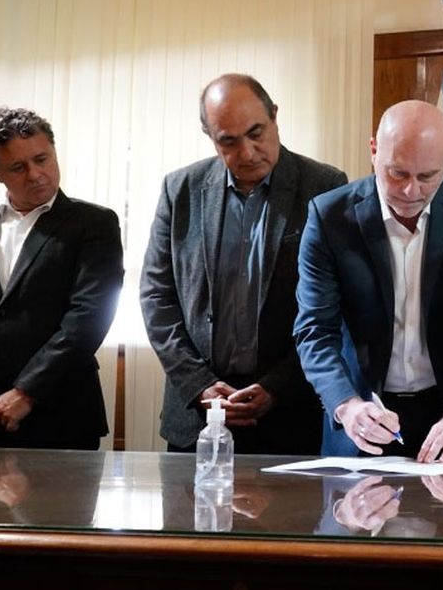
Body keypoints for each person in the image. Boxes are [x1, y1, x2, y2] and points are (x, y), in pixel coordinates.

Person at [140, 73, 347, 454]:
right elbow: (157, 296)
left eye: (257, 132)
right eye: (229, 142)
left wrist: (277, 387)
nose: (248, 152)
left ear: (274, 116)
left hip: (287, 416)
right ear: (211, 138)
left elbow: (334, 307)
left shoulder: (324, 186)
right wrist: (197, 382)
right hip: (197, 417)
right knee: (191, 516)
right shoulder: (180, 189)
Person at [294, 99, 443, 462]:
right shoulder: (330, 217)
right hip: (363, 418)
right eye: (397, 173)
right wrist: (346, 406)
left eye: (428, 176)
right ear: (374, 151)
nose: (412, 192)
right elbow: (315, 330)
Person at [0, 108, 123, 449]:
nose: (36, 174)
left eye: (42, 159)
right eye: (18, 167)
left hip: (61, 415)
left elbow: (88, 317)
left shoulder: (94, 223)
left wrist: (27, 392)